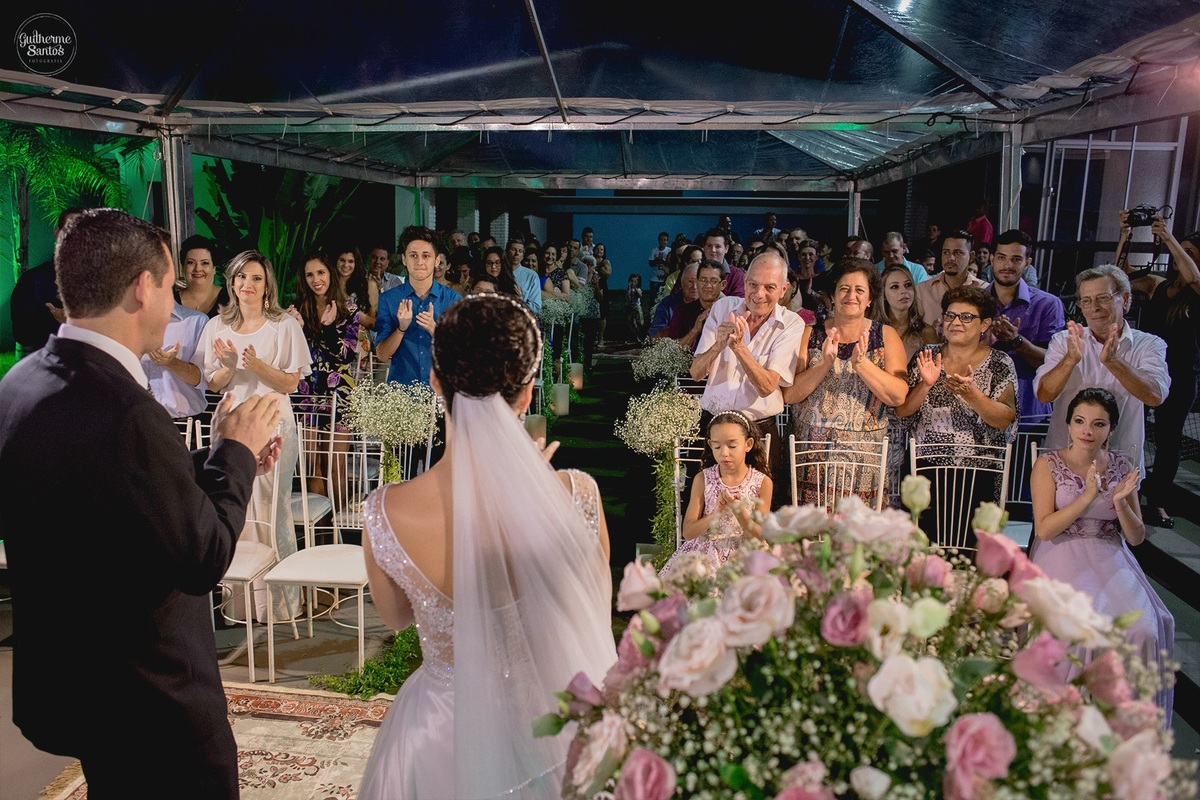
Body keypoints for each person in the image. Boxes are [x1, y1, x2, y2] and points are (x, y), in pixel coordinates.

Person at [0, 208, 284, 797]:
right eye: (169, 281)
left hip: (74, 687)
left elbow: (127, 501)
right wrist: (235, 452)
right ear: (142, 287)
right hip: (150, 700)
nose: (176, 295)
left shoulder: (20, 384)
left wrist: (217, 460)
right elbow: (202, 555)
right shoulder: (129, 413)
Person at [358, 293, 616, 798]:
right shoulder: (577, 495)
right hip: (546, 727)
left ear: (435, 381)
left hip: (440, 732)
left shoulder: (386, 509)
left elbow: (395, 619)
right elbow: (590, 608)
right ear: (526, 394)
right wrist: (539, 502)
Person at [1028, 387, 1174, 719]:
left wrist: (1121, 502)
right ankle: (1069, 720)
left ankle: (1127, 722)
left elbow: (1135, 538)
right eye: (1080, 421)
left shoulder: (1122, 466)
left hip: (1110, 550)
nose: (1087, 431)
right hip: (1060, 550)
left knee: (1144, 630)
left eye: (1098, 424)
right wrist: (1087, 496)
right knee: (1081, 627)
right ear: (1068, 424)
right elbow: (1045, 530)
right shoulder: (1047, 464)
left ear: (1111, 429)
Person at [196, 249, 313, 622]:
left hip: (273, 423)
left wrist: (258, 366)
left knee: (273, 509)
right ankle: (240, 606)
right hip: (232, 426)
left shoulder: (283, 326)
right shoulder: (216, 327)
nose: (248, 284)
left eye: (256, 278)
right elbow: (213, 383)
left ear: (267, 287)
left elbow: (292, 382)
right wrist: (229, 367)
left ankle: (279, 606)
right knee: (236, 508)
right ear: (231, 283)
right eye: (242, 277)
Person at [896, 286, 1018, 544]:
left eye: (966, 317)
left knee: (970, 552)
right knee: (924, 551)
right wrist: (926, 384)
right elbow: (903, 410)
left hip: (979, 473)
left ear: (985, 324)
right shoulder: (926, 355)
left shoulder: (999, 362)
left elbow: (1004, 417)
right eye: (950, 316)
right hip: (926, 471)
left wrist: (972, 394)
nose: (956, 322)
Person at [784, 258, 908, 508]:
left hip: (864, 463)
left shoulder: (886, 336)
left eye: (859, 290)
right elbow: (790, 395)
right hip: (811, 459)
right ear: (832, 295)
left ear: (870, 298)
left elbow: (898, 396)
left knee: (857, 540)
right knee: (812, 540)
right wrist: (823, 364)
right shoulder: (810, 333)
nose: (851, 295)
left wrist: (862, 365)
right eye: (844, 289)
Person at [690, 249, 806, 504]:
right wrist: (719, 345)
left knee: (759, 514)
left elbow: (767, 386)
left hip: (759, 430)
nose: (759, 293)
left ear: (784, 289)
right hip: (713, 423)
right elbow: (696, 373)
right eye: (753, 284)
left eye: (769, 287)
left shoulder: (791, 323)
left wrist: (739, 347)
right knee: (709, 507)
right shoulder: (723, 307)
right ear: (744, 282)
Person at [1034, 264, 1169, 477]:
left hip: (1121, 465)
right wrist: (1069, 360)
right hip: (1064, 466)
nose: (1094, 307)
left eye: (1103, 298)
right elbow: (1044, 395)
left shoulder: (1150, 344)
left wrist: (1114, 361)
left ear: (1124, 299)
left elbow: (1154, 395)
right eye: (1086, 301)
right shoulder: (1063, 341)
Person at [1135, 220, 1200, 528]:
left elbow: (1193, 276)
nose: (1179, 255)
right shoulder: (1158, 285)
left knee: (1169, 440)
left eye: (1188, 251)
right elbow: (1121, 276)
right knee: (1133, 429)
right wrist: (1126, 234)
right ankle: (1126, 493)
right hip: (1146, 369)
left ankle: (1158, 502)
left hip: (1181, 376)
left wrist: (1170, 237)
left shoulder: (1198, 288)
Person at [659, 410, 772, 576]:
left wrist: (739, 512)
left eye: (732, 446)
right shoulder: (703, 479)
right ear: (711, 445)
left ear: (748, 444)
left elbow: (759, 535)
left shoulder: (762, 483)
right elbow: (688, 532)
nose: (724, 453)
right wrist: (715, 515)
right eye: (717, 446)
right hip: (705, 556)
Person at [984, 229, 1065, 423]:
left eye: (1016, 259)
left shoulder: (1048, 304)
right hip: (980, 411)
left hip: (1029, 413)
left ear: (1027, 263)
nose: (1007, 265)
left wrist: (1016, 341)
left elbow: (1053, 363)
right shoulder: (974, 302)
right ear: (992, 259)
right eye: (1002, 258)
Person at [287, 249, 363, 436]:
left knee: (335, 464)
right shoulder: (296, 310)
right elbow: (294, 357)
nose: (316, 279)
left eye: (321, 272)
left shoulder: (349, 309)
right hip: (306, 390)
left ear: (330, 273)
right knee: (310, 463)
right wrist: (299, 329)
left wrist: (329, 329)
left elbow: (346, 356)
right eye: (309, 275)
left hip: (339, 391)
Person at [376, 226, 464, 387]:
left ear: (436, 260)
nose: (419, 262)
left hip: (442, 393)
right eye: (413, 255)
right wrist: (401, 329)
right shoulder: (389, 299)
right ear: (404, 259)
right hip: (401, 395)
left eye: (426, 256)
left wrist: (434, 328)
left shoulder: (453, 299)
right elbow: (382, 355)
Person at [10, 207, 85, 354]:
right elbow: (22, 335)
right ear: (57, 232)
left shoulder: (104, 280)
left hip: (98, 371)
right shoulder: (32, 281)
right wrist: (58, 322)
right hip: (50, 368)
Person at [145, 300, 209, 423]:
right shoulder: (122, 322)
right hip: (134, 422)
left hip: (185, 424)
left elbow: (204, 380)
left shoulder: (196, 321)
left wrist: (172, 363)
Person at [915, 229, 987, 329]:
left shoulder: (984, 290)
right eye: (946, 252)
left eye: (958, 253)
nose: (951, 258)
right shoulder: (922, 291)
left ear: (971, 257)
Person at [666, 260, 727, 353]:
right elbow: (671, 350)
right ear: (697, 282)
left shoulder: (730, 312)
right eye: (703, 280)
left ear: (723, 285)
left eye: (713, 281)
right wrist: (695, 330)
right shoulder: (682, 311)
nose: (708, 285)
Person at [881, 264, 939, 362]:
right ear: (884, 294)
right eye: (895, 287)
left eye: (908, 285)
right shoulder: (873, 332)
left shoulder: (926, 332)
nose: (904, 291)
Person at [174, 234, 231, 318]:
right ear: (183, 267)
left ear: (214, 268)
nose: (197, 269)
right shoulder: (171, 302)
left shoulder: (230, 299)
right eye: (191, 262)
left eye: (205, 263)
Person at [335, 246, 378, 330]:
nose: (346, 265)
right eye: (342, 260)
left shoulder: (368, 285)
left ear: (356, 263)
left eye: (350, 261)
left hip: (359, 340)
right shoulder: (328, 285)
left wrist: (355, 313)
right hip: (331, 339)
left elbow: (375, 324)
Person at [704, 227, 746, 298]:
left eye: (718, 246)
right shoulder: (694, 271)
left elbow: (739, 305)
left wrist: (715, 291)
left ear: (726, 248)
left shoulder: (737, 275)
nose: (713, 250)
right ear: (704, 247)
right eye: (709, 246)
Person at [507, 238, 543, 314]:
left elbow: (536, 307)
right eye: (513, 249)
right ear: (507, 252)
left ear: (523, 255)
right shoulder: (499, 271)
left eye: (520, 251)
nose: (517, 253)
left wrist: (520, 302)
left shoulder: (531, 276)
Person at [593, 242, 613, 347]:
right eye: (597, 249)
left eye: (601, 249)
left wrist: (599, 267)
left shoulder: (606, 262)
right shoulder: (589, 260)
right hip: (591, 288)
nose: (599, 251)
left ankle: (601, 338)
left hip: (602, 288)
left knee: (602, 315)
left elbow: (608, 274)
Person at [626, 273, 645, 339]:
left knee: (639, 322)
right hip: (630, 307)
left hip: (637, 307)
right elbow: (627, 298)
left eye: (635, 281)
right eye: (631, 281)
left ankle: (638, 336)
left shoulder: (638, 289)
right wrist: (629, 290)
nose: (633, 283)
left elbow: (640, 295)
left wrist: (635, 289)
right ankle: (631, 336)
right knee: (630, 323)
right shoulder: (628, 290)